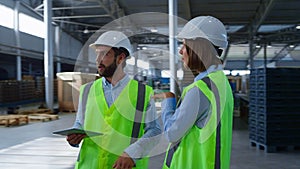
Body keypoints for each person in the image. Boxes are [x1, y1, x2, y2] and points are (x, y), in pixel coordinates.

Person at [67, 30, 161, 169]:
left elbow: (154, 131)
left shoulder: (143, 93)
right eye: (97, 54)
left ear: (121, 58)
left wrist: (133, 153)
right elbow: (80, 123)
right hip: (90, 165)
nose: (98, 59)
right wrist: (75, 135)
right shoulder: (87, 90)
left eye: (104, 54)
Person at [154, 16, 234, 169]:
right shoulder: (221, 82)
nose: (180, 51)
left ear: (199, 48)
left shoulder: (200, 90)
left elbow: (172, 133)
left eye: (185, 45)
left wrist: (168, 101)